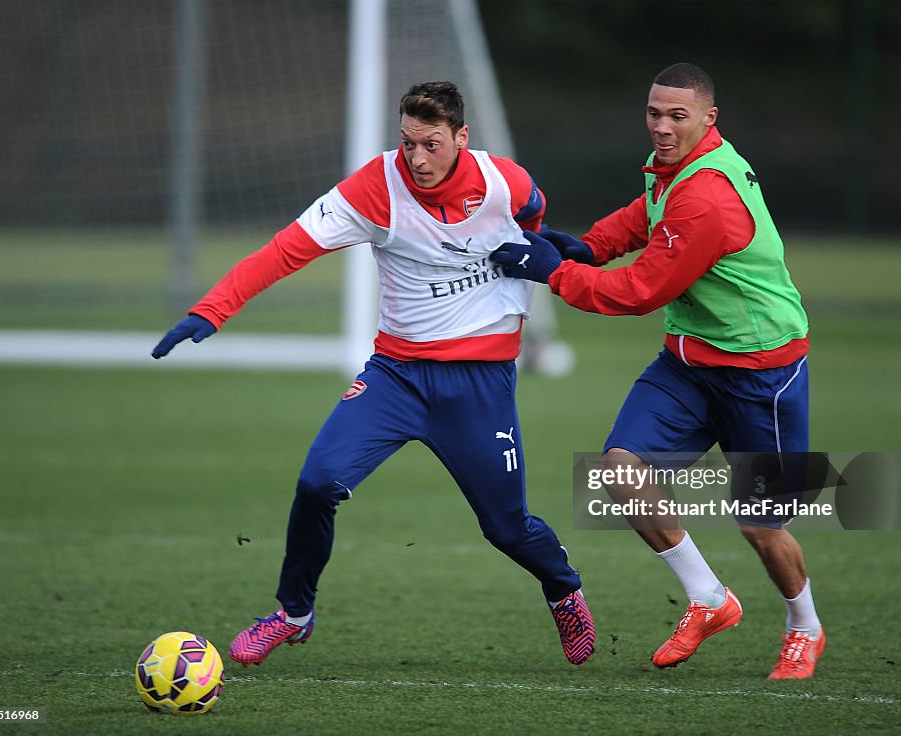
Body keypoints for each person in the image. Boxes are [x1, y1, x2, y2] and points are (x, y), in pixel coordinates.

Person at [152, 81, 595, 667]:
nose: (416, 158)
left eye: (431, 144)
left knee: (507, 529)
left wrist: (538, 246)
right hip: (396, 378)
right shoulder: (374, 188)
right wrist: (211, 310)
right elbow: (285, 249)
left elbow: (532, 210)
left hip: (480, 386)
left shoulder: (503, 181)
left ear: (462, 138)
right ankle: (292, 613)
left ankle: (563, 589)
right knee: (317, 483)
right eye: (407, 142)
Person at [490, 63, 824, 679]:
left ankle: (804, 627)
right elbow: (644, 217)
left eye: (677, 115)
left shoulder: (707, 197)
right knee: (619, 471)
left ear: (708, 118)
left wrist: (552, 272)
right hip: (691, 362)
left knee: (762, 527)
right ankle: (708, 597)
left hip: (762, 373)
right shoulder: (673, 170)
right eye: (654, 113)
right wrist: (585, 247)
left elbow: (640, 291)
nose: (662, 126)